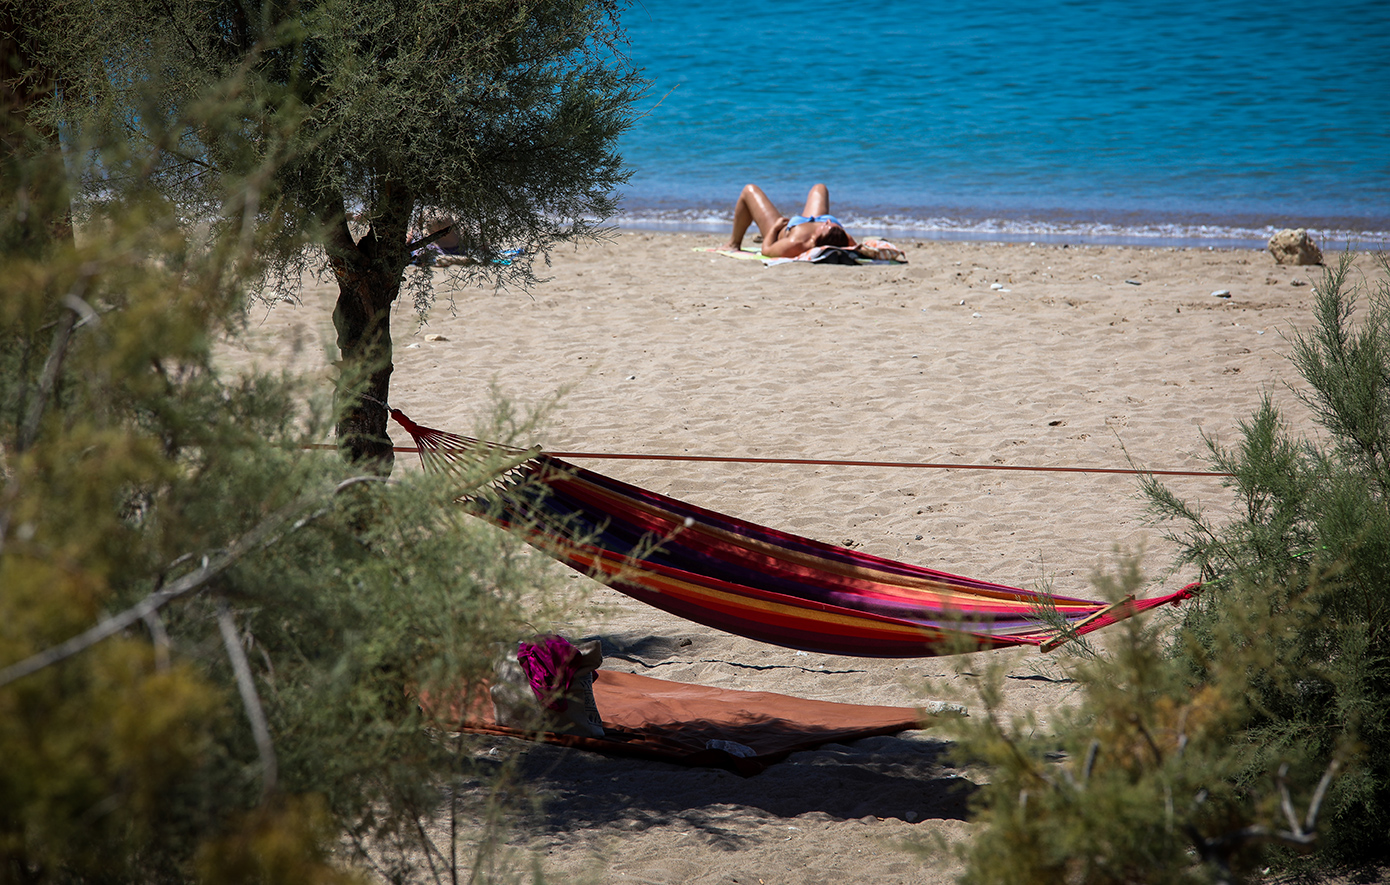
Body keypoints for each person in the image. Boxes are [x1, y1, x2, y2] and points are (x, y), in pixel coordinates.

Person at [723, 183, 857, 258]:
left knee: (749, 190)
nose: (826, 222)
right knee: (819, 188)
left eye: (826, 225)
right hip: (812, 219)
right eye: (829, 223)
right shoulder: (845, 238)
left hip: (784, 229)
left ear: (817, 239)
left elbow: (766, 250)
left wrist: (774, 229)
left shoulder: (796, 243)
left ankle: (734, 243)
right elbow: (861, 250)